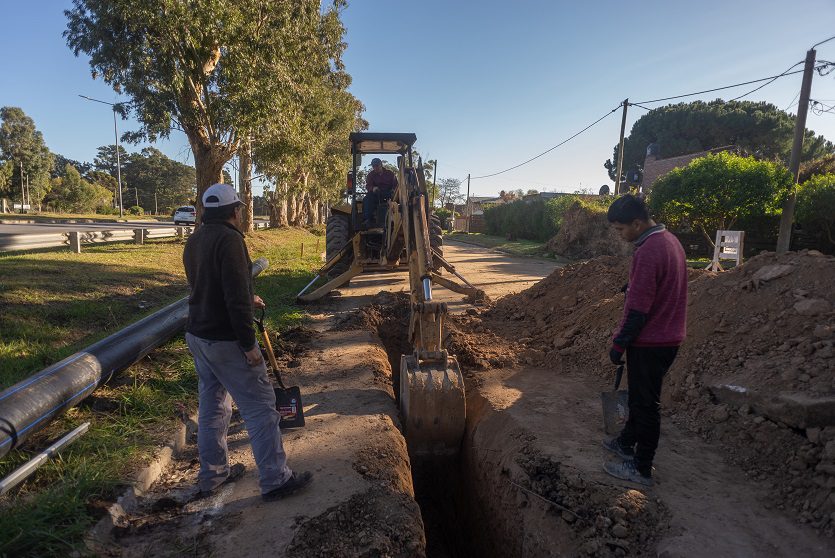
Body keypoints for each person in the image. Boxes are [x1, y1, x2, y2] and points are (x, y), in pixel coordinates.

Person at [183, 183, 312, 501]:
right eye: (240, 210)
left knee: (212, 406)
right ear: (235, 212)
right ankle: (276, 480)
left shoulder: (195, 240)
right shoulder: (231, 240)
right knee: (261, 409)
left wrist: (246, 296)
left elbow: (206, 285)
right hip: (227, 340)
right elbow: (233, 300)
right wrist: (248, 344)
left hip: (198, 336)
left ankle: (212, 476)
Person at [602, 193, 687, 487]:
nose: (620, 235)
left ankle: (642, 468)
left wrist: (619, 344)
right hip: (666, 337)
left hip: (652, 341)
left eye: (621, 229)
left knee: (646, 404)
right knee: (640, 398)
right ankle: (625, 443)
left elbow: (638, 310)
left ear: (637, 223)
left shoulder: (649, 250)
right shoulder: (668, 240)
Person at [362, 157, 398, 227]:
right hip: (377, 194)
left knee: (398, 198)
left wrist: (393, 191)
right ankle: (368, 219)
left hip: (389, 193)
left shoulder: (390, 174)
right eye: (373, 166)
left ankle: (398, 217)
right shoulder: (370, 175)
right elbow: (368, 186)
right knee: (367, 199)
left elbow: (396, 185)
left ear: (381, 165)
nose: (375, 168)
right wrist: (373, 188)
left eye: (377, 166)